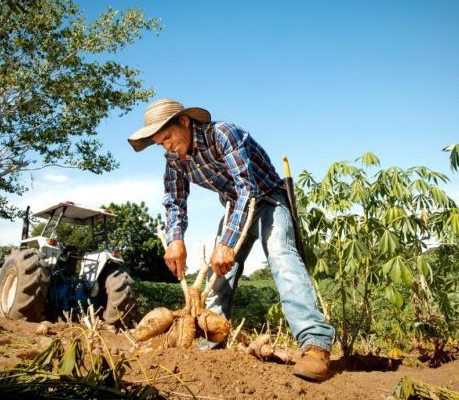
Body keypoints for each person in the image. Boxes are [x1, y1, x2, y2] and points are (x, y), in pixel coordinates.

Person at [128, 98, 335, 381]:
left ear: (185, 122)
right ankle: (209, 342)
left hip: (268, 200)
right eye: (159, 143)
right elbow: (175, 201)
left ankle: (315, 345)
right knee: (220, 274)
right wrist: (175, 239)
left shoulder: (223, 133)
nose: (166, 146)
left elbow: (246, 188)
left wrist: (226, 243)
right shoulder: (175, 159)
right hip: (232, 207)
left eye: (167, 137)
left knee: (280, 254)